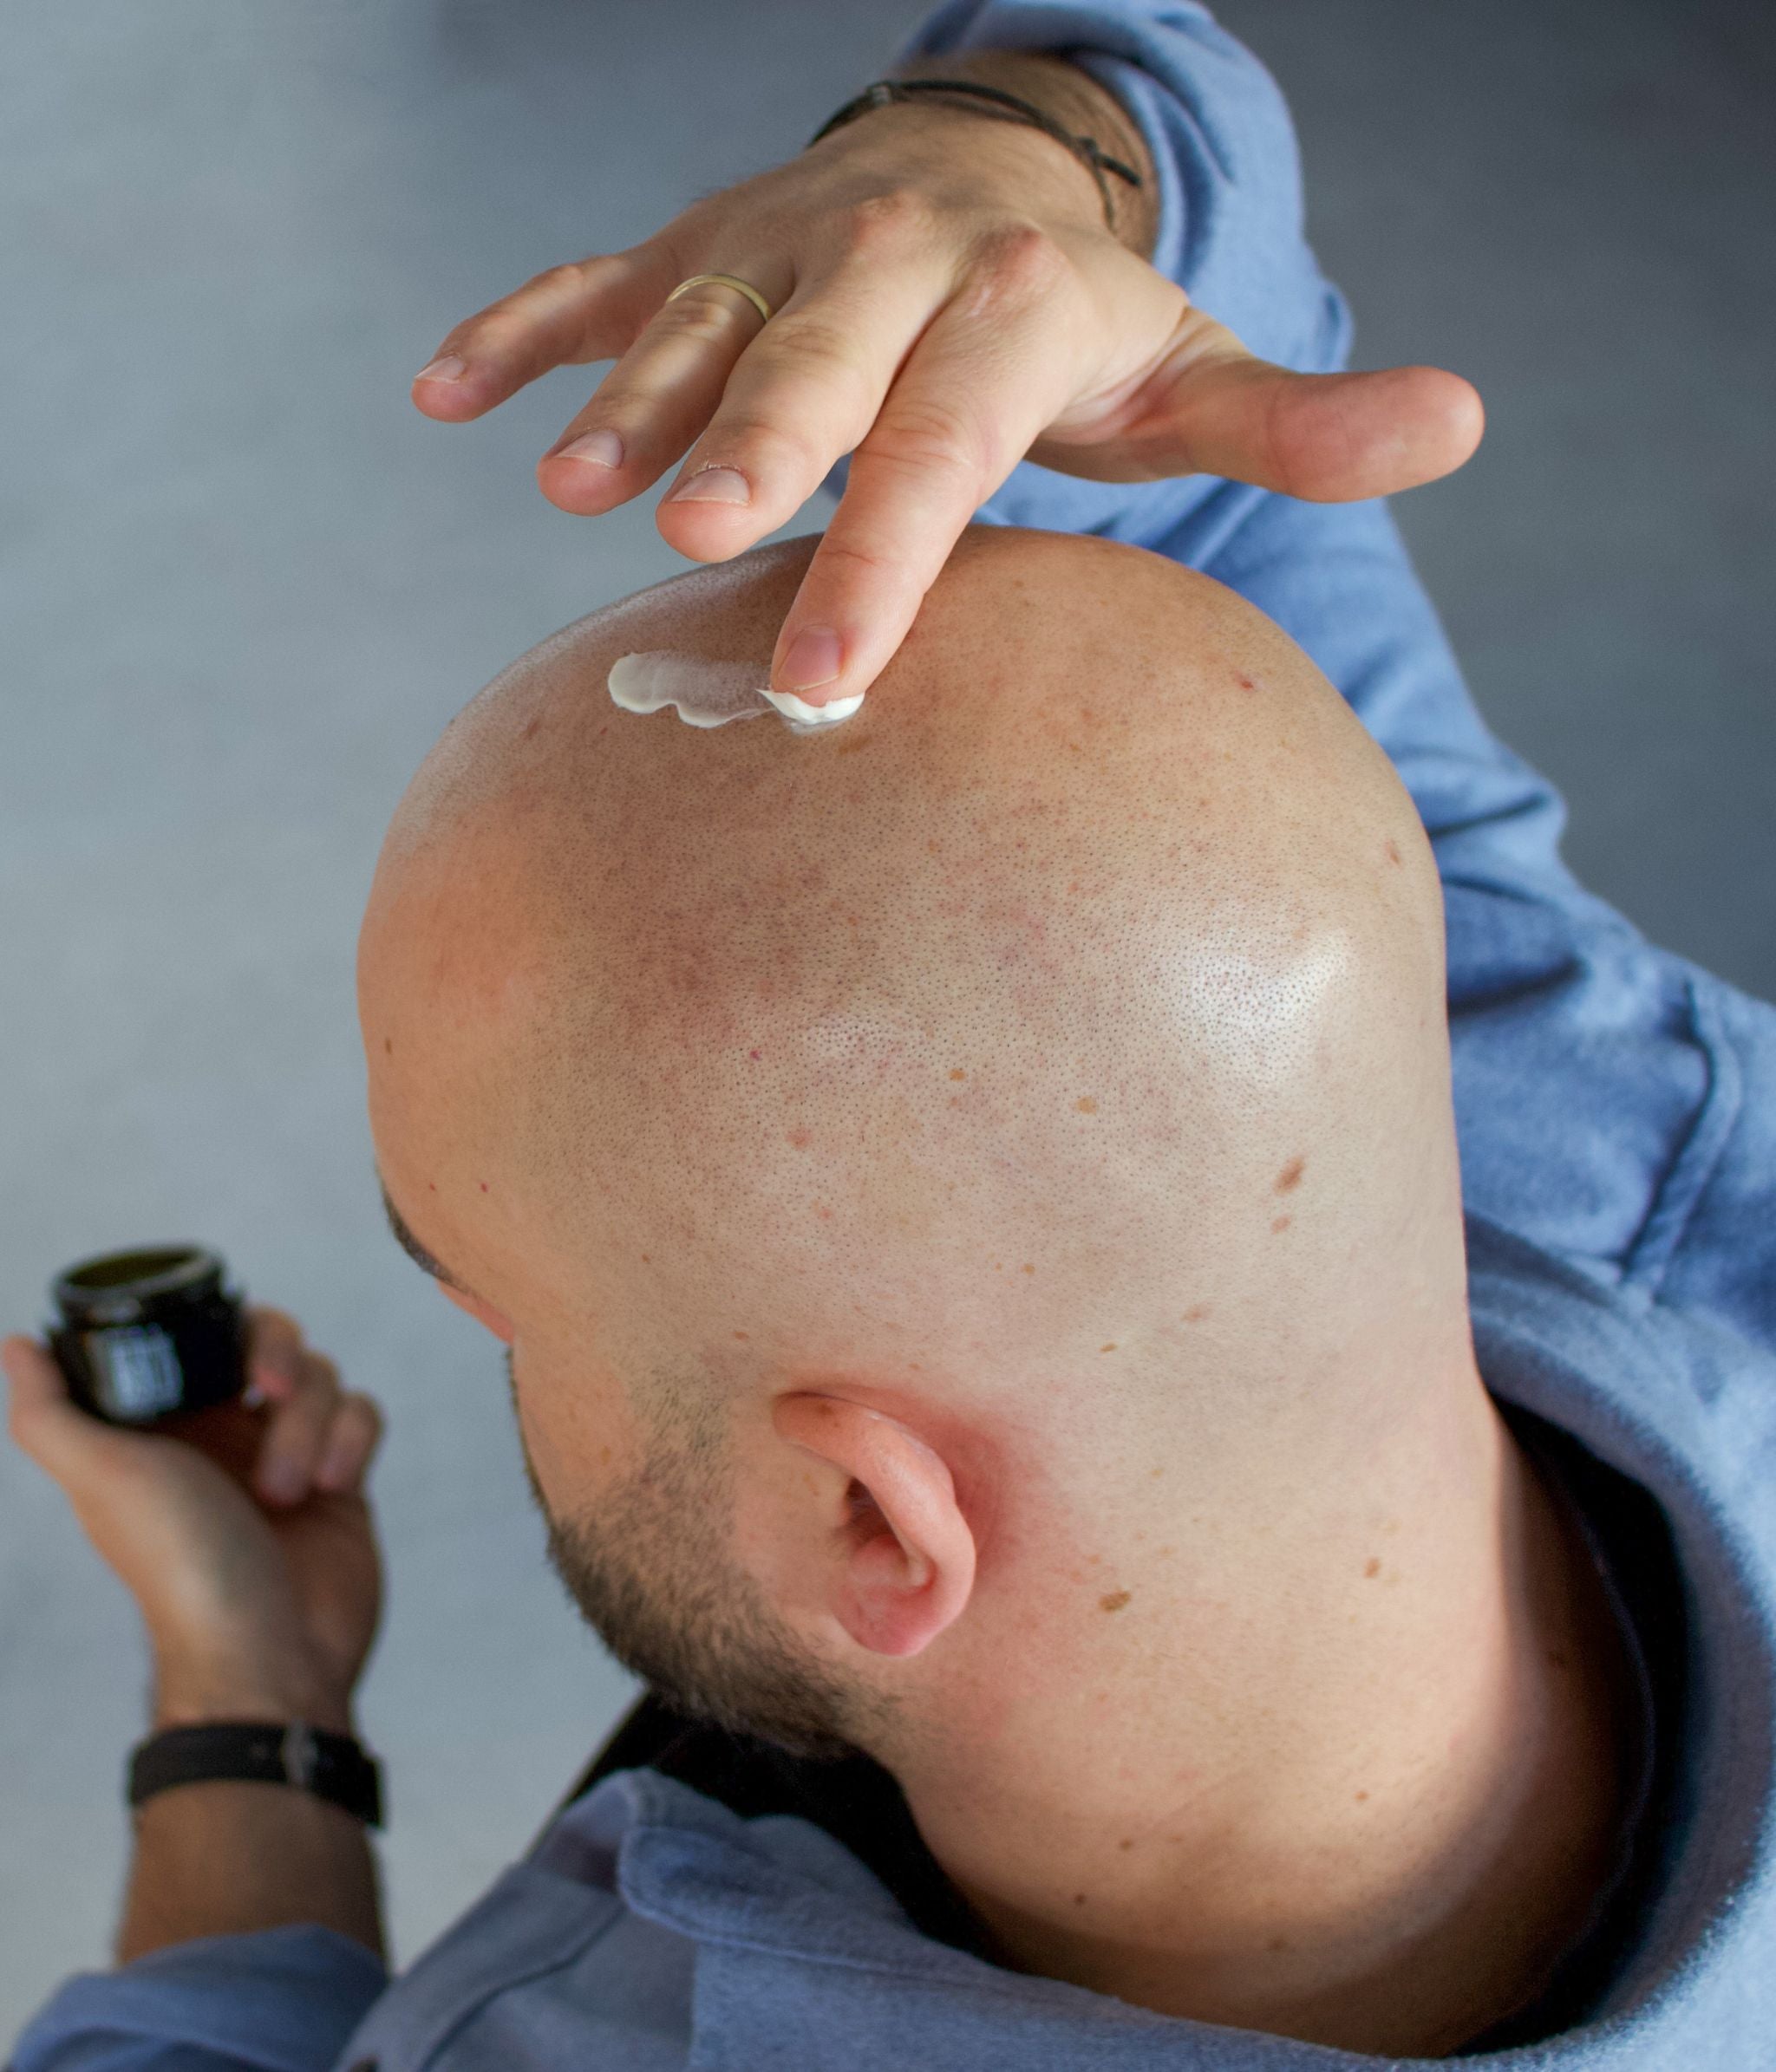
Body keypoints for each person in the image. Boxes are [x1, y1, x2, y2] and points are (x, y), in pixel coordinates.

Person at [9, 5, 1775, 2069]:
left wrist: (249, 1707)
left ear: (874, 1522)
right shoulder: (1588, 1099)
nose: (476, 1324)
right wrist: (1007, 156)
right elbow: (1175, 285)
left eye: (494, 1298)